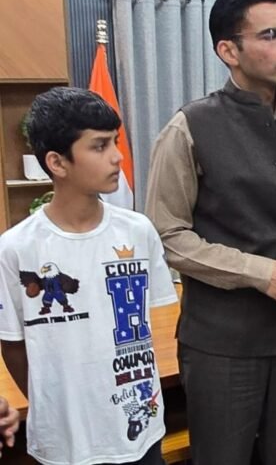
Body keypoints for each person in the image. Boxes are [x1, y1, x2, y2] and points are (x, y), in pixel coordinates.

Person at [144, 0, 276, 463]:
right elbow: (168, 234)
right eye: (270, 35)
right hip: (222, 346)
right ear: (229, 50)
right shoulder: (189, 127)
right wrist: (263, 273)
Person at [0, 87, 178, 464]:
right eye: (99, 146)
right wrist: (54, 401)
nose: (117, 156)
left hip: (139, 426)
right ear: (57, 162)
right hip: (67, 440)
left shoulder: (138, 231)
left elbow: (153, 320)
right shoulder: (15, 248)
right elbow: (12, 345)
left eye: (115, 141)